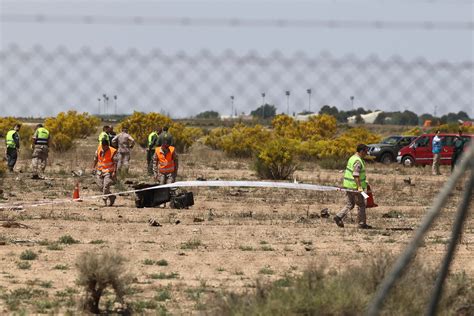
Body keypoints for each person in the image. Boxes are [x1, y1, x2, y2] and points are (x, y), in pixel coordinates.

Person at [333, 144, 372, 229]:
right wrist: (359, 187)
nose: (366, 154)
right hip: (355, 187)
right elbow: (356, 175)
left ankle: (338, 217)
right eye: (365, 152)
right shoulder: (358, 161)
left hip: (348, 185)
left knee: (350, 204)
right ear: (361, 151)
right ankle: (362, 224)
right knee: (361, 205)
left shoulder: (352, 158)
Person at [92, 139, 118, 206]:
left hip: (109, 171)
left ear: (108, 145)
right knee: (100, 186)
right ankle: (112, 197)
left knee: (106, 186)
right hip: (100, 170)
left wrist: (114, 172)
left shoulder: (113, 151)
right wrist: (93, 167)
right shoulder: (99, 148)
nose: (104, 148)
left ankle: (104, 200)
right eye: (103, 146)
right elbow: (95, 158)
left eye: (105, 147)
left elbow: (115, 163)